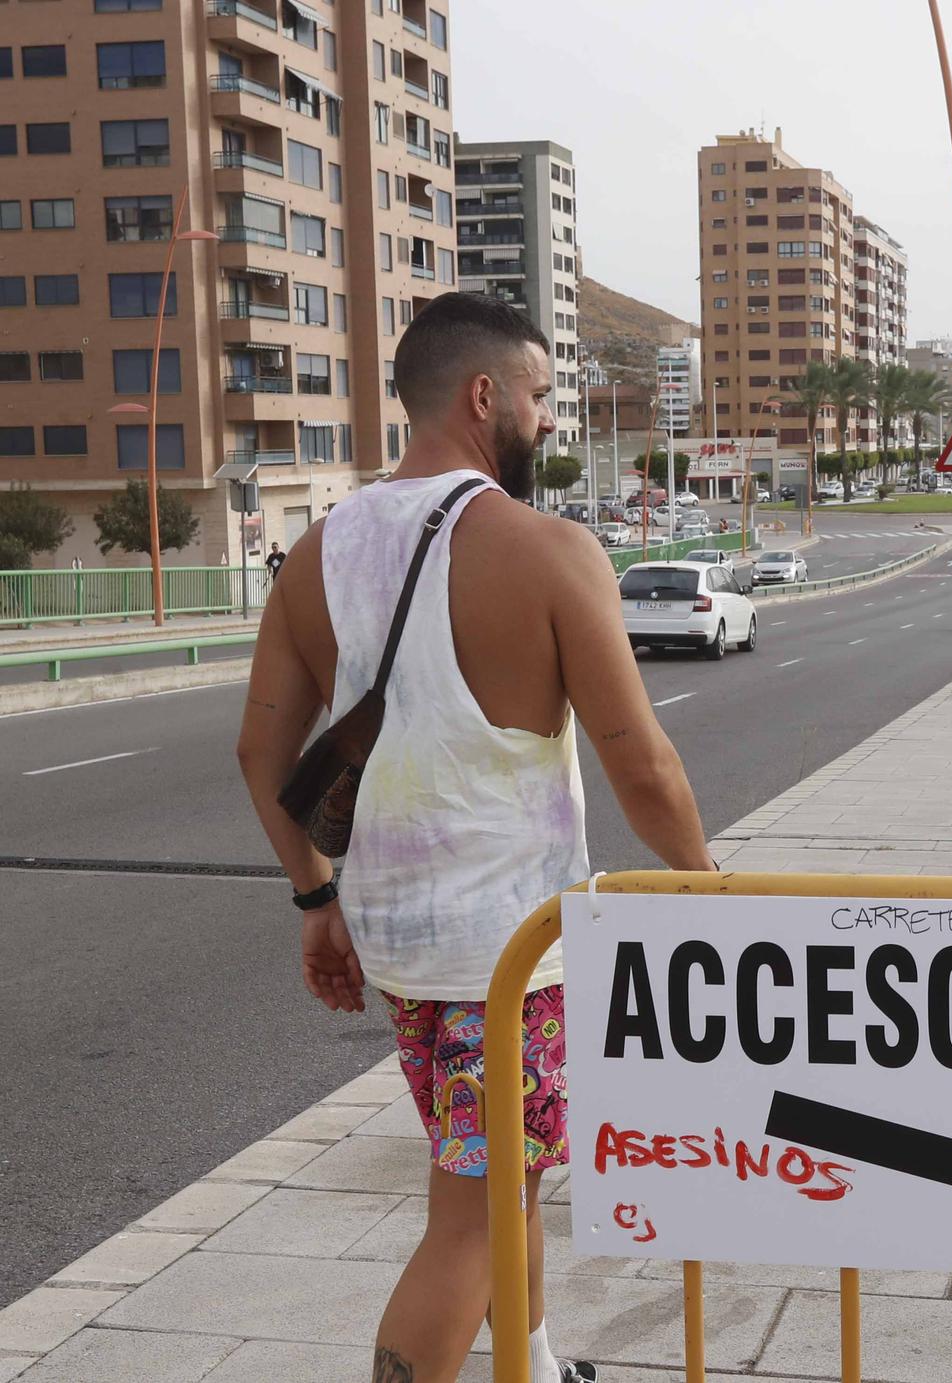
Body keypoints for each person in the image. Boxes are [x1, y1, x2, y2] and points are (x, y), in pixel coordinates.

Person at [236, 292, 715, 1383]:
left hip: (400, 948)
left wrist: (317, 902)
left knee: (508, 1185)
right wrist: (707, 886)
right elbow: (640, 764)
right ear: (484, 395)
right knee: (473, 1218)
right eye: (543, 396)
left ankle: (534, 1369)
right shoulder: (546, 550)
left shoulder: (315, 554)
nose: (550, 420)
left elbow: (258, 759)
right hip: (511, 960)